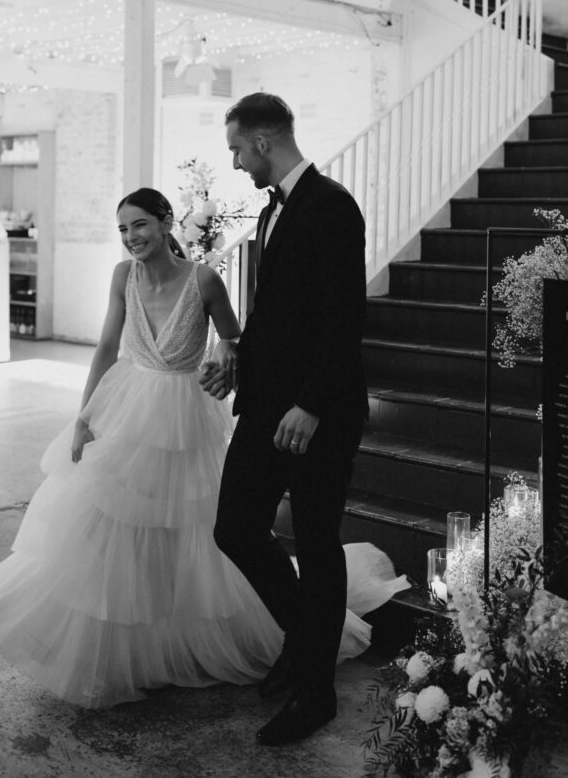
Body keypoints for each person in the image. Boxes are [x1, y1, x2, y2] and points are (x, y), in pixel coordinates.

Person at [0, 187, 405, 709]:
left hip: (184, 416)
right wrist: (84, 416)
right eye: (123, 229)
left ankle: (237, 639)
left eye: (140, 226)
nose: (131, 238)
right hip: (126, 409)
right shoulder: (122, 277)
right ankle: (129, 652)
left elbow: (239, 337)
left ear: (167, 221)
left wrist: (224, 348)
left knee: (189, 532)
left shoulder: (204, 280)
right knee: (114, 529)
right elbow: (107, 346)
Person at [201, 93, 370, 745]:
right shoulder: (274, 211)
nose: (237, 163)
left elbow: (342, 318)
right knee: (235, 526)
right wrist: (237, 357)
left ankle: (315, 693)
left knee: (317, 542)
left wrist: (310, 404)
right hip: (266, 404)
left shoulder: (329, 206)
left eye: (238, 150)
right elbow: (283, 317)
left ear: (264, 141)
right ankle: (305, 645)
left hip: (314, 413)